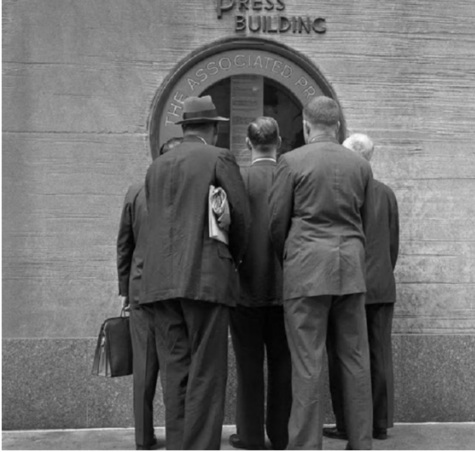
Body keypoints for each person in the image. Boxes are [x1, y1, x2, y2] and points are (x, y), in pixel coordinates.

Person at [138, 96, 251, 449]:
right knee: (207, 371)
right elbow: (241, 216)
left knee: (176, 372)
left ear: (185, 127)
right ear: (213, 128)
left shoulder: (157, 166)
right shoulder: (219, 157)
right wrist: (236, 259)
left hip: (160, 283)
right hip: (205, 278)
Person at [269, 96, 374, 449]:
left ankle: (305, 446)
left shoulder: (291, 161)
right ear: (339, 126)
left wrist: (290, 257)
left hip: (306, 269)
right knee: (356, 361)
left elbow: (275, 223)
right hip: (351, 269)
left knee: (307, 364)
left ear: (306, 126)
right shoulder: (360, 165)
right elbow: (368, 222)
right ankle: (360, 443)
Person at [324, 133, 400, 442]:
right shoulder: (386, 193)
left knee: (343, 355)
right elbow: (392, 244)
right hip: (380, 283)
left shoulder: (340, 192)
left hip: (346, 284)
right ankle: (379, 423)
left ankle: (348, 423)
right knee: (379, 354)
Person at [116, 137, 182, 451]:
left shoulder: (135, 192)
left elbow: (124, 246)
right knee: (174, 367)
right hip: (171, 291)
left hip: (141, 289)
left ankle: (143, 438)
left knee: (143, 368)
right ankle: (177, 437)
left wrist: (124, 289)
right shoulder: (184, 194)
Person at [229, 117, 290, 451]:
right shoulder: (289, 175)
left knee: (248, 366)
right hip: (286, 288)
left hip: (244, 286)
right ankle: (280, 434)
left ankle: (250, 435)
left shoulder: (237, 177)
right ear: (279, 142)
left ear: (247, 143)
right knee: (283, 365)